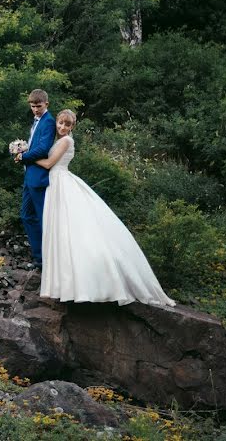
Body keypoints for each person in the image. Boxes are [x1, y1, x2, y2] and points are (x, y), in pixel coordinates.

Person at [35, 109, 175, 306]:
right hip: (57, 184)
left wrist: (25, 156)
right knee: (62, 231)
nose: (62, 127)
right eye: (60, 123)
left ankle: (83, 284)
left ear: (72, 127)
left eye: (67, 124)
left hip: (61, 182)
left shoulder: (66, 141)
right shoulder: (56, 140)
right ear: (56, 122)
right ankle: (62, 283)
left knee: (71, 230)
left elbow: (49, 163)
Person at [15, 89, 56, 268]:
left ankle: (45, 260)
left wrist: (23, 157)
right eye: (33, 107)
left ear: (46, 104)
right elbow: (33, 146)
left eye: (38, 106)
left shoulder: (49, 122)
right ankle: (40, 257)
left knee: (42, 218)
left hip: (39, 177)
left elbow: (42, 149)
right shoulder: (36, 121)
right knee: (26, 216)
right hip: (29, 176)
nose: (35, 110)